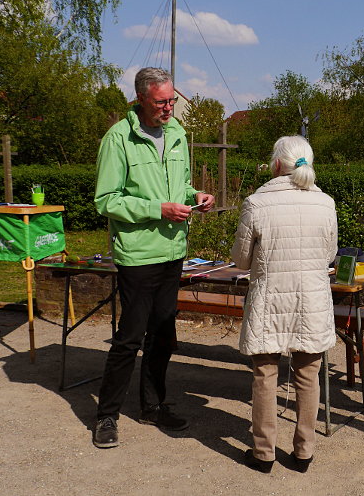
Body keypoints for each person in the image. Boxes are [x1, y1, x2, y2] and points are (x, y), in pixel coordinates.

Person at [92, 67, 215, 448]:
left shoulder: (177, 133)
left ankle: (153, 406)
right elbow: (106, 200)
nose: (169, 108)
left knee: (163, 335)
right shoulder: (118, 139)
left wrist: (196, 196)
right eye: (162, 101)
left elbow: (181, 184)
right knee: (130, 338)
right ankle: (106, 416)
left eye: (172, 100)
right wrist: (157, 210)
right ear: (141, 99)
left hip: (173, 251)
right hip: (139, 254)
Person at [231, 135, 338, 473]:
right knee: (309, 374)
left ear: (276, 165)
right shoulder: (326, 203)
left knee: (264, 374)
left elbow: (241, 261)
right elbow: (329, 254)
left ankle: (264, 453)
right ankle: (304, 450)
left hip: (269, 300)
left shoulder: (255, 203)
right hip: (312, 300)